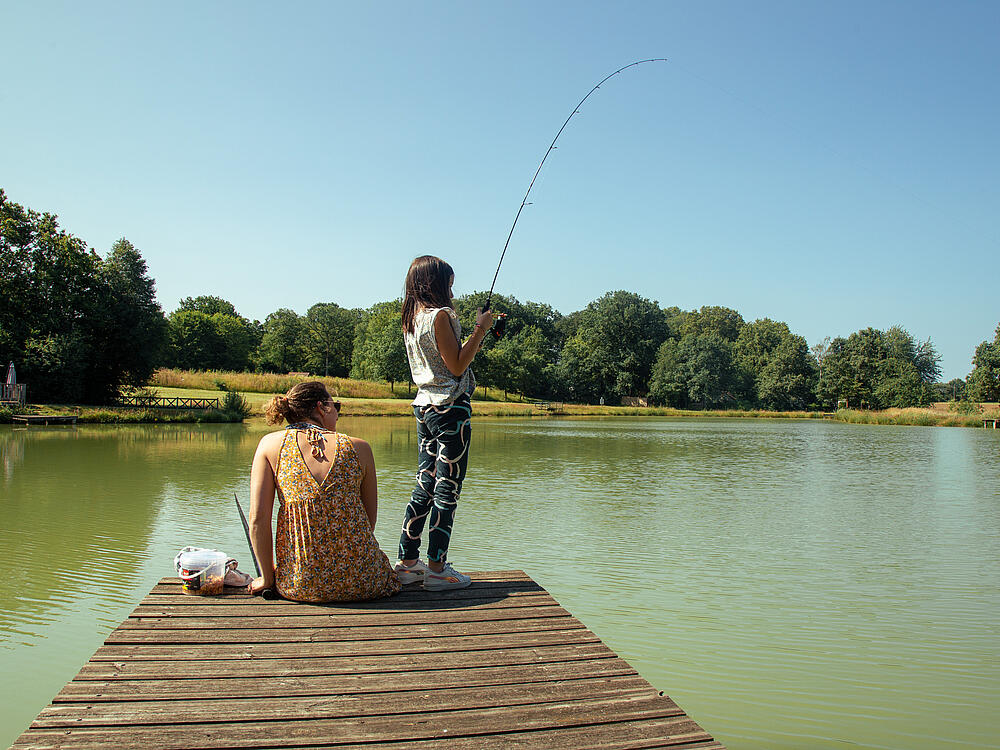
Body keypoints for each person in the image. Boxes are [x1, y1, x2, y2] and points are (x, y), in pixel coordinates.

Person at [248, 381, 400, 601]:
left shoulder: (270, 445)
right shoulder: (360, 447)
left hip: (299, 585)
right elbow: (369, 520)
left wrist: (266, 579)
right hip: (365, 581)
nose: (337, 415)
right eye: (335, 406)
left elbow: (258, 519)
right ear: (322, 407)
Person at [394, 255, 494, 590]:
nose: (452, 291)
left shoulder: (411, 319)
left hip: (424, 407)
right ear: (435, 283)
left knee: (424, 483)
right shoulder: (440, 316)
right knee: (447, 489)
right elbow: (457, 365)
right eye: (449, 284)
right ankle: (437, 569)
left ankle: (408, 564)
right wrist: (481, 328)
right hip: (451, 409)